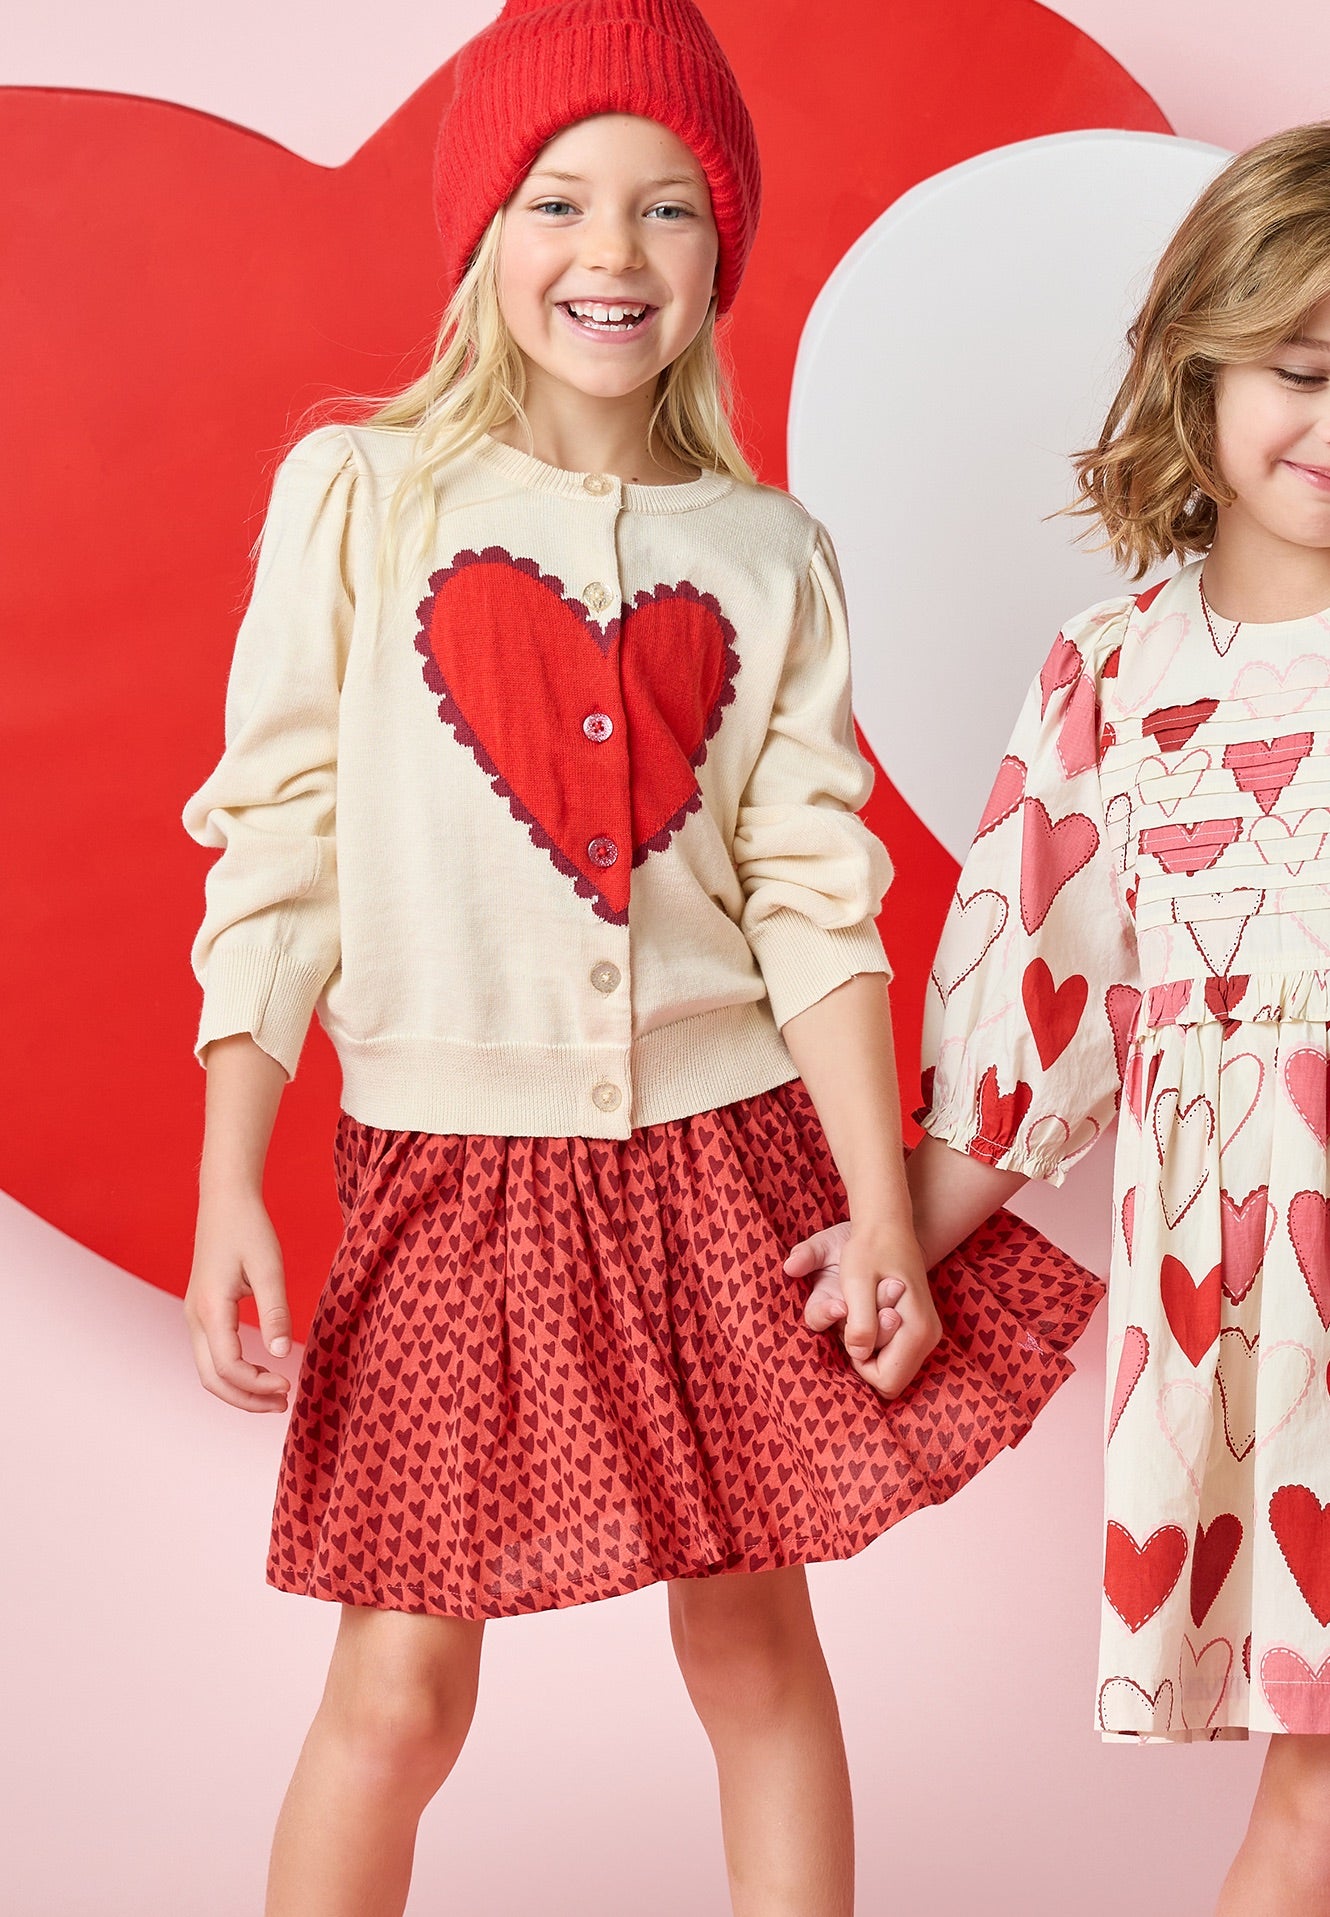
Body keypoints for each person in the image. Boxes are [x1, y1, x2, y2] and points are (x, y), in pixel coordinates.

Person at [181, 4, 1099, 1912]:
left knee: (753, 1645)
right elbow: (283, 848)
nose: (611, 254)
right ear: (482, 235)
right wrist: (228, 1172)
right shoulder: (361, 499)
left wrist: (879, 1208)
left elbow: (813, 900)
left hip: (723, 1162)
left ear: (719, 247)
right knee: (400, 1683)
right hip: (454, 1180)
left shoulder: (768, 549)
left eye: (669, 207)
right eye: (559, 200)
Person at [791, 123, 1330, 1912]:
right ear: (1198, 361)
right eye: (1304, 370)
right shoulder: (1114, 675)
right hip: (1272, 1315)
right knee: (1313, 1817)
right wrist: (894, 1242)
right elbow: (1036, 1009)